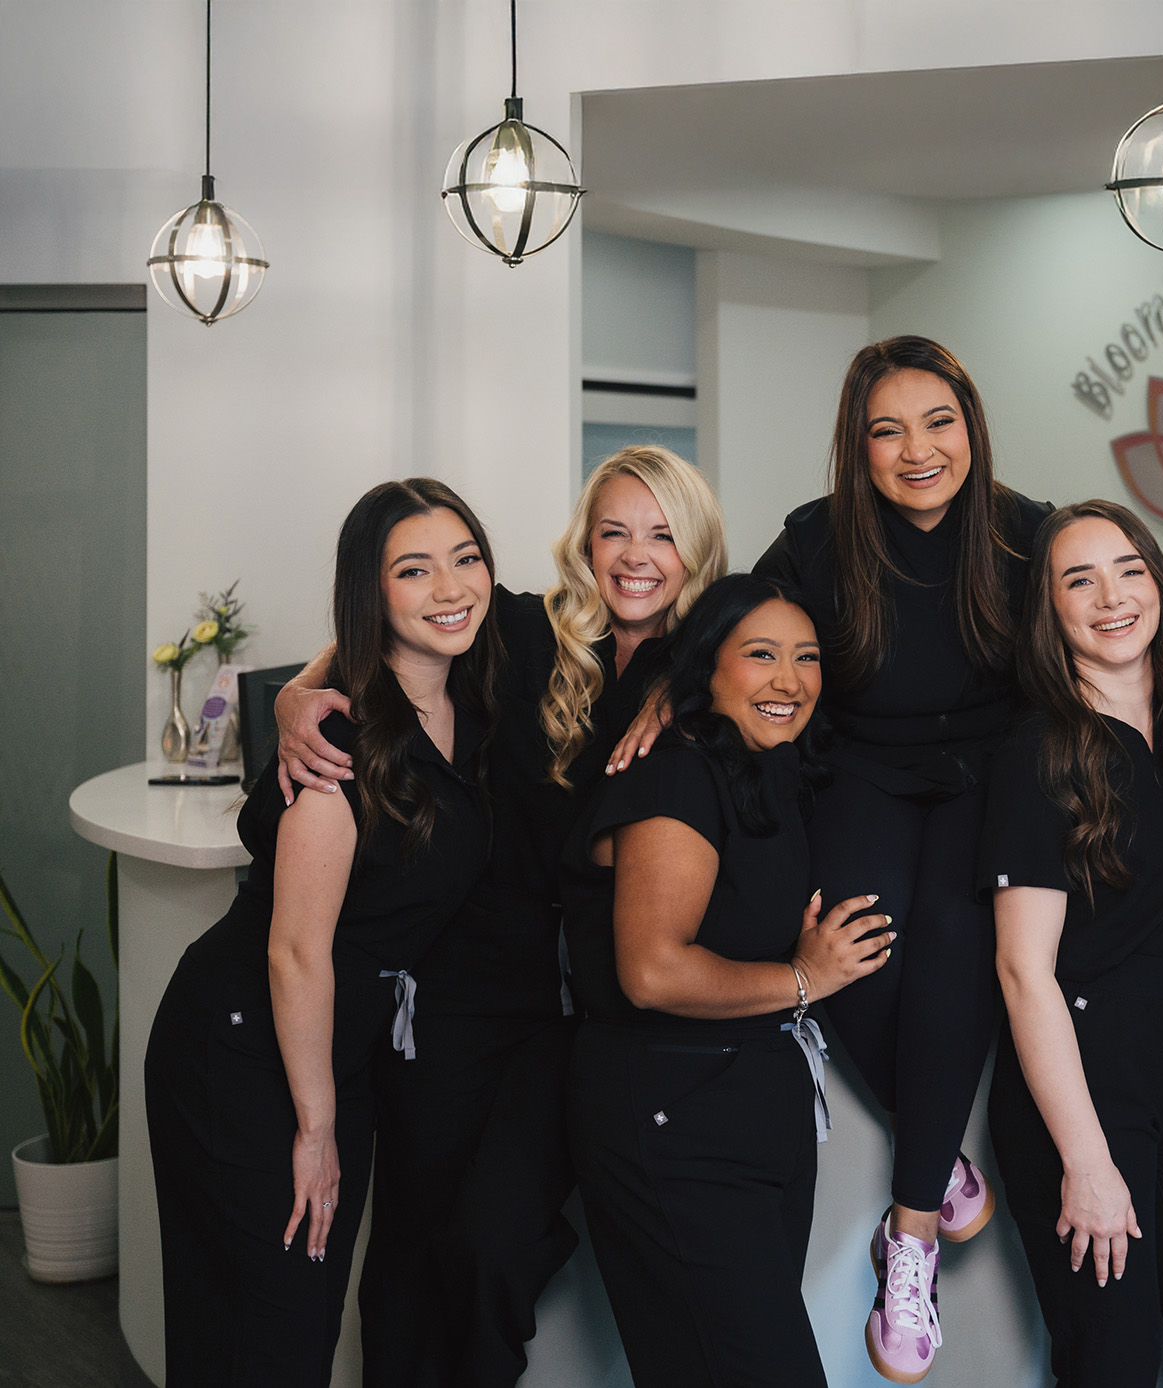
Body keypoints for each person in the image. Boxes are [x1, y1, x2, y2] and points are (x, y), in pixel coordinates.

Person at [610, 336, 1051, 1381]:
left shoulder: (1026, 530)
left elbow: (1107, 612)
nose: (916, 449)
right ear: (856, 448)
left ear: (972, 427)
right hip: (859, 766)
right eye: (884, 430)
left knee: (954, 933)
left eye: (937, 422)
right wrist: (670, 691)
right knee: (850, 940)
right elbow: (734, 625)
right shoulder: (817, 539)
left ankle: (911, 1230)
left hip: (987, 769)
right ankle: (937, 1153)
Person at [273, 448, 727, 1385]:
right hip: (456, 997)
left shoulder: (718, 661)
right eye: (615, 532)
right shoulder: (529, 632)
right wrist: (294, 696)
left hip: (594, 1018)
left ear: (697, 547)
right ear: (585, 544)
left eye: (664, 534)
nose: (637, 557)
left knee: (488, 1245)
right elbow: (395, 628)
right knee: (407, 1249)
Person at [145, 479, 501, 1386]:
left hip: (328, 1052)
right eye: (413, 570)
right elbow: (295, 950)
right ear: (370, 593)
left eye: (465, 558)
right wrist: (316, 1125)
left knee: (287, 1326)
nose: (451, 587)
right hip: (246, 1053)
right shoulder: (343, 741)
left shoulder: (466, 701)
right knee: (267, 1333)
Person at [562, 573, 893, 1388]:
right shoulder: (676, 774)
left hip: (748, 1120)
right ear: (705, 668)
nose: (789, 680)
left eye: (807, 658)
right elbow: (652, 969)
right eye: (762, 655)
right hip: (673, 1121)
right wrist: (806, 976)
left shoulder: (767, 767)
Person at [981, 501, 1163, 1387]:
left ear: (1159, 581)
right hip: (1084, 1082)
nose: (1110, 597)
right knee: (1110, 1363)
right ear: (1050, 608)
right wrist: (1086, 1160)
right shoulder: (1040, 750)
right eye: (1080, 579)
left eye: (1128, 570)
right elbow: (1021, 968)